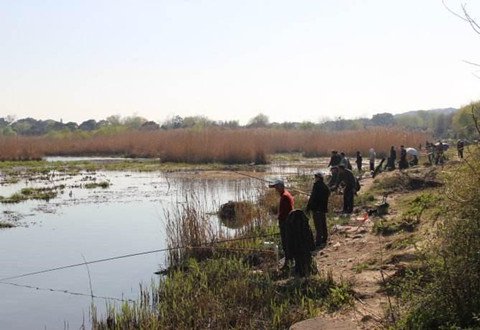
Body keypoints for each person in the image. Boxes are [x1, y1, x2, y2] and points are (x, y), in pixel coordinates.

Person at [268, 179, 294, 269]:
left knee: (286, 243)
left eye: (277, 187)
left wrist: (276, 217)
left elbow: (284, 213)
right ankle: (289, 261)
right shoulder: (286, 194)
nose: (275, 189)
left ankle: (288, 263)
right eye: (275, 187)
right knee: (287, 242)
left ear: (281, 186)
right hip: (287, 222)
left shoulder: (285, 196)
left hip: (285, 223)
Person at [305, 172, 330, 248]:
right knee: (323, 225)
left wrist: (308, 207)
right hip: (323, 209)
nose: (315, 178)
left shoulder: (316, 186)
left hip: (316, 209)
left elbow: (312, 198)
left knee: (318, 226)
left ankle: (318, 242)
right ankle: (324, 239)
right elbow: (328, 194)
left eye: (315, 177)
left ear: (318, 178)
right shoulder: (325, 187)